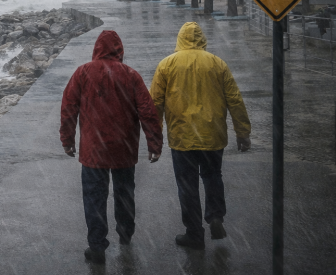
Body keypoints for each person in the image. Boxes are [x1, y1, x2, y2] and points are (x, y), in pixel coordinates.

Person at [60, 30, 163, 264]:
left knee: (94, 197)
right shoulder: (131, 75)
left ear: (96, 49)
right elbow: (147, 111)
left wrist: (68, 140)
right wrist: (154, 143)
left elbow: (68, 108)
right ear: (119, 50)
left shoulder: (82, 73)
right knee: (124, 192)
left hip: (94, 149)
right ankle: (125, 233)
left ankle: (97, 246)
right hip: (123, 147)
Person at [150, 21, 252, 250]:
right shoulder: (217, 63)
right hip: (212, 135)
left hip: (182, 137)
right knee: (213, 176)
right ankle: (215, 216)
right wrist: (243, 132)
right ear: (202, 39)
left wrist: (154, 136)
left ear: (180, 39)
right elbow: (234, 99)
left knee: (187, 185)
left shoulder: (167, 64)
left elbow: (155, 103)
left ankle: (194, 233)